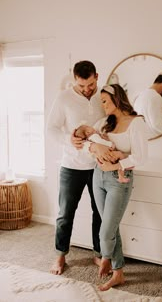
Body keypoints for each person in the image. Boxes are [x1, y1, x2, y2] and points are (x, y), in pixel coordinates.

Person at [47, 60, 105, 275]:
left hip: (99, 165)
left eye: (90, 84)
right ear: (75, 80)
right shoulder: (64, 98)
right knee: (65, 213)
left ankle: (99, 253)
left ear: (96, 76)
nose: (87, 89)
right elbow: (51, 128)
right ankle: (60, 255)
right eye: (81, 86)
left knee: (99, 212)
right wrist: (68, 140)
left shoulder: (104, 96)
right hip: (71, 166)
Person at [88, 84, 148, 291]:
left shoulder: (136, 122)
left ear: (117, 99)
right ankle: (118, 273)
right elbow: (89, 142)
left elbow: (140, 157)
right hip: (98, 177)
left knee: (106, 231)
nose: (102, 105)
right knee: (110, 226)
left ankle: (106, 256)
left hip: (119, 180)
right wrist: (96, 147)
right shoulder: (104, 123)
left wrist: (116, 162)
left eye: (105, 100)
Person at [133, 73, 162, 139]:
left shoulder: (140, 96)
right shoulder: (155, 96)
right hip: (155, 139)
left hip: (144, 138)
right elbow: (157, 124)